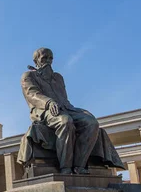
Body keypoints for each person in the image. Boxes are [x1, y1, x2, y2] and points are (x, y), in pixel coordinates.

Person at [20, 47, 100, 175]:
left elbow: (64, 98)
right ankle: (65, 167)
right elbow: (32, 94)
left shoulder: (58, 77)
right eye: (44, 58)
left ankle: (79, 165)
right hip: (43, 110)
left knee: (91, 122)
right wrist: (49, 102)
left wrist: (76, 111)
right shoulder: (29, 75)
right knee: (65, 121)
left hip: (66, 107)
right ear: (36, 60)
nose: (48, 61)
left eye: (51, 58)